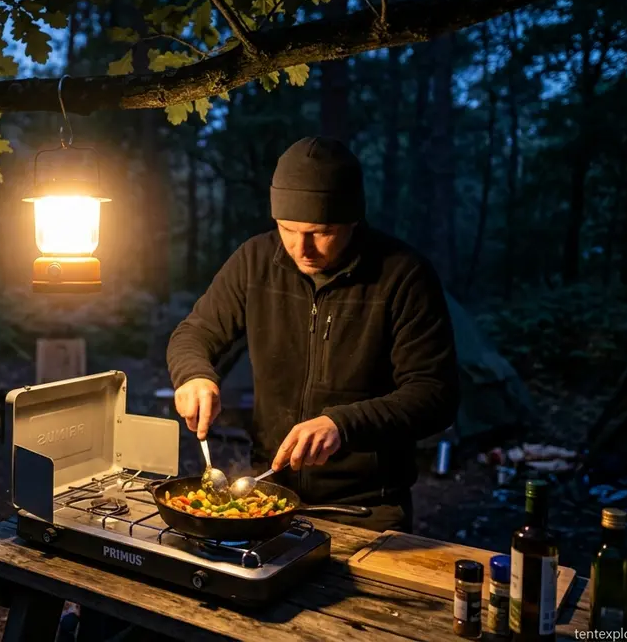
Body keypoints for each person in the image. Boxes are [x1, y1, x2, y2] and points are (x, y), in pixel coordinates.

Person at [166, 135, 460, 532]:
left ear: (352, 220)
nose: (301, 247)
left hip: (366, 509)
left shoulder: (404, 276)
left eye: (320, 231)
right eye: (287, 228)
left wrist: (342, 425)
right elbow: (194, 333)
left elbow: (435, 395)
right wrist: (194, 375)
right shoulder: (255, 261)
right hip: (266, 495)